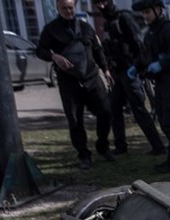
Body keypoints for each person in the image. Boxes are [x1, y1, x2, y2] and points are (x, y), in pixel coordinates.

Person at [36, 0, 114, 170]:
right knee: (75, 119)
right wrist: (54, 57)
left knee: (106, 111)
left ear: (75, 7)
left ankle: (103, 146)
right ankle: (83, 155)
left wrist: (106, 70)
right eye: (64, 8)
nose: (68, 11)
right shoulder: (51, 30)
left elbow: (97, 49)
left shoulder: (86, 27)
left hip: (92, 78)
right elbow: (40, 50)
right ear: (58, 8)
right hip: (69, 81)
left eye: (70, 7)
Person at [94, 0, 165, 157]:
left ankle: (158, 145)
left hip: (129, 70)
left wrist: (138, 68)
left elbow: (139, 43)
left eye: (103, 2)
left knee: (139, 109)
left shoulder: (124, 18)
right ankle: (121, 146)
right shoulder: (107, 24)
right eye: (98, 3)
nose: (101, 6)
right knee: (114, 108)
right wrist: (108, 69)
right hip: (117, 72)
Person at [129, 0, 170, 173]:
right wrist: (136, 67)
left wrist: (162, 63)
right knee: (164, 118)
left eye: (147, 12)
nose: (145, 16)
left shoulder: (168, 28)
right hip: (162, 81)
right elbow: (146, 54)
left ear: (158, 9)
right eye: (143, 13)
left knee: (168, 120)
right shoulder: (152, 31)